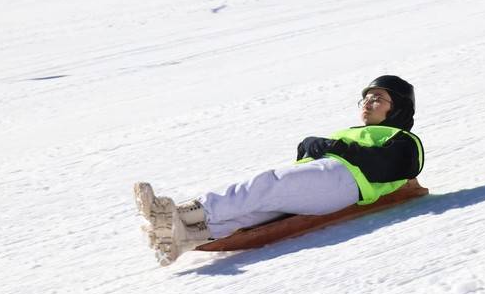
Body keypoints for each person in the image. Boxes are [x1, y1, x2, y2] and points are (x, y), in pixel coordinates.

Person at [134, 75, 425, 265]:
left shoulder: (404, 140)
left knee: (266, 185)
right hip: (327, 180)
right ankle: (183, 237)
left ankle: (180, 213)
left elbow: (386, 166)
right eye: (366, 97)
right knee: (257, 210)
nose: (368, 103)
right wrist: (317, 147)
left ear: (397, 109)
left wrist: (328, 147)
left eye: (379, 98)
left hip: (346, 181)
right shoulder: (350, 132)